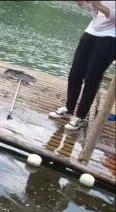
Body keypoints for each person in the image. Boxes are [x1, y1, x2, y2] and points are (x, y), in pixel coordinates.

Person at [49, 1, 115, 131]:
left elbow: (112, 15)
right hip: (91, 32)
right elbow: (90, 8)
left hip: (110, 38)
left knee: (92, 78)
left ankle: (79, 116)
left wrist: (98, 4)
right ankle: (69, 108)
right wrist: (82, 2)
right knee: (75, 73)